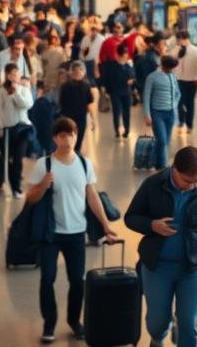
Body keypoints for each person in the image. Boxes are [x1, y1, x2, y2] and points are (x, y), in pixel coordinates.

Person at [124, 146, 197, 347]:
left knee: (189, 324)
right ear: (175, 169)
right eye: (187, 180)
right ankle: (158, 337)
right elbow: (130, 217)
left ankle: (181, 324)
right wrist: (151, 225)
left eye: (196, 180)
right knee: (157, 323)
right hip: (157, 266)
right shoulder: (153, 184)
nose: (192, 185)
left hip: (193, 268)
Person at [25, 117, 121, 343]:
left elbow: (92, 195)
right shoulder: (44, 165)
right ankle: (49, 323)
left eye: (71, 134)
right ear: (54, 138)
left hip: (77, 232)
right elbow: (30, 197)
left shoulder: (85, 164)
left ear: (76, 136)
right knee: (47, 279)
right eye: (62, 135)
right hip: (50, 233)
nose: (67, 139)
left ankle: (73, 320)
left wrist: (106, 225)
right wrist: (42, 185)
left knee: (77, 281)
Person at [0, 63, 36, 198]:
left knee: (18, 158)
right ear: (6, 75)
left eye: (16, 74)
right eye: (11, 74)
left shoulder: (24, 89)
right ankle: (11, 183)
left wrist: (15, 93)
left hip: (23, 128)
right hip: (6, 129)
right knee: (8, 160)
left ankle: (17, 188)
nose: (14, 77)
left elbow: (27, 105)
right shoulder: (0, 92)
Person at [143, 55, 182, 170]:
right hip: (157, 113)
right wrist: (147, 114)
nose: (173, 70)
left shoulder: (173, 76)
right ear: (165, 66)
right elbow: (146, 96)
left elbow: (177, 93)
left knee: (166, 141)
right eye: (172, 68)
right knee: (162, 140)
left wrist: (173, 104)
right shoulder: (152, 77)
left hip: (170, 113)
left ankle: (155, 161)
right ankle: (163, 167)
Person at [59, 60, 97, 148]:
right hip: (81, 118)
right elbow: (90, 104)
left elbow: (61, 103)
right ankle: (76, 155)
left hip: (67, 117)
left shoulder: (64, 86)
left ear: (71, 73)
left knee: (68, 140)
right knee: (78, 141)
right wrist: (93, 119)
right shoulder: (86, 86)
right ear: (83, 73)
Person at [175, 31, 197, 134]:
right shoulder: (178, 50)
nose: (179, 41)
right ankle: (181, 121)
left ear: (186, 38)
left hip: (192, 80)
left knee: (190, 103)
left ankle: (189, 125)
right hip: (180, 80)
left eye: (180, 39)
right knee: (180, 101)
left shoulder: (196, 51)